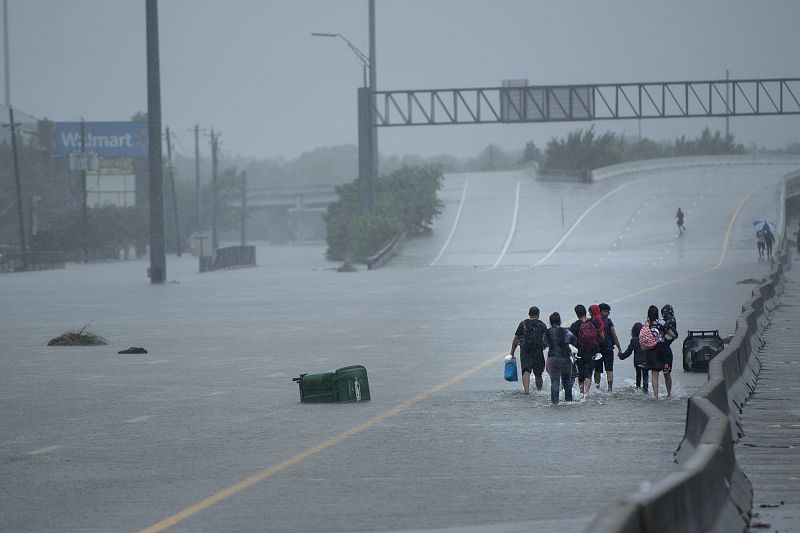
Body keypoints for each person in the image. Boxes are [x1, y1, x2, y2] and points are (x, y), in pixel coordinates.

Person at [509, 306, 547, 395]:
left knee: (526, 371)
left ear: (529, 314)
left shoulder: (523, 324)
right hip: (538, 351)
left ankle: (526, 391)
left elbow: (516, 339)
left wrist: (512, 352)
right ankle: (539, 391)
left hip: (525, 351)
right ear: (538, 314)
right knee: (538, 373)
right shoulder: (542, 325)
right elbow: (546, 339)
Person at [543, 312, 576, 404]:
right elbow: (574, 339)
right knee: (567, 380)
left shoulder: (547, 332)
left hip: (553, 359)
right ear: (560, 321)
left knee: (555, 381)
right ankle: (569, 402)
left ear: (550, 322)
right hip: (565, 358)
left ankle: (555, 403)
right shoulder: (566, 331)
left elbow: (543, 344)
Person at [570, 304, 600, 400]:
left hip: (580, 352)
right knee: (589, 372)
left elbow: (571, 341)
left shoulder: (575, 325)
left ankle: (581, 392)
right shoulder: (594, 323)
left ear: (577, 314)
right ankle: (586, 393)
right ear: (585, 312)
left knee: (581, 372)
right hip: (592, 351)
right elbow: (599, 336)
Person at [597, 303, 623, 392]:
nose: (608, 313)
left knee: (597, 370)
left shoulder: (594, 321)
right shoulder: (608, 321)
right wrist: (619, 349)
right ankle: (610, 389)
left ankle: (597, 388)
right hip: (608, 348)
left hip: (598, 350)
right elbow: (614, 336)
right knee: (609, 369)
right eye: (606, 311)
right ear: (601, 311)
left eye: (609, 312)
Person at [619, 322, 648, 394]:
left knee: (638, 375)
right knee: (645, 375)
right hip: (646, 360)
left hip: (637, 361)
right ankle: (645, 390)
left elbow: (629, 352)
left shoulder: (634, 340)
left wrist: (621, 356)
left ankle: (638, 388)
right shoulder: (646, 339)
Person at [660, 304, 678, 398]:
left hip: (662, 352)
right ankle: (669, 394)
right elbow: (674, 336)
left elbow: (673, 335)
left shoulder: (665, 322)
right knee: (666, 373)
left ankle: (660, 394)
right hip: (667, 351)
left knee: (656, 372)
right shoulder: (672, 320)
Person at [588, 304, 607, 390]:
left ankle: (587, 388)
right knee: (598, 370)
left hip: (589, 348)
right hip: (598, 349)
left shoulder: (589, 322)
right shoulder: (600, 321)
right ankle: (597, 387)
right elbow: (602, 336)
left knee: (589, 370)